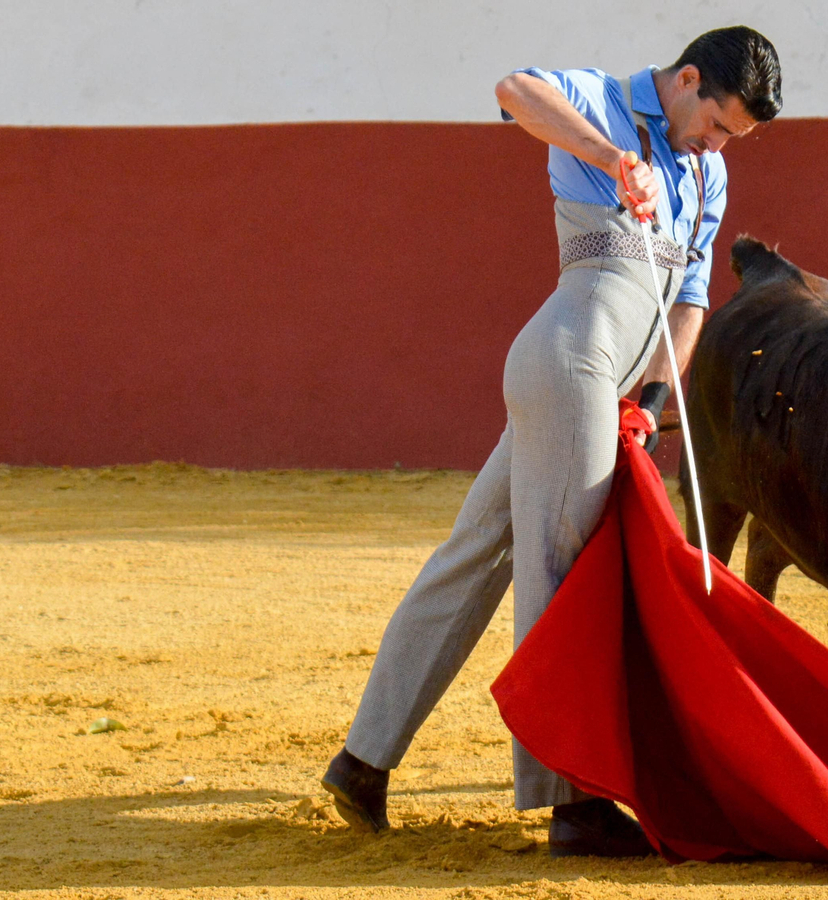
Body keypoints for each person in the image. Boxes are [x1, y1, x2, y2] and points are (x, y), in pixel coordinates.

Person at [323, 26, 783, 857]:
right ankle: (570, 802)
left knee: (477, 554)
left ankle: (362, 761)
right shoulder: (602, 100)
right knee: (563, 573)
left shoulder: (709, 173)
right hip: (570, 357)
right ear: (686, 81)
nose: (716, 146)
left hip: (599, 382)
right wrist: (613, 158)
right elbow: (513, 89)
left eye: (731, 139)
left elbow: (689, 302)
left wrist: (647, 402)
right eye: (715, 125)